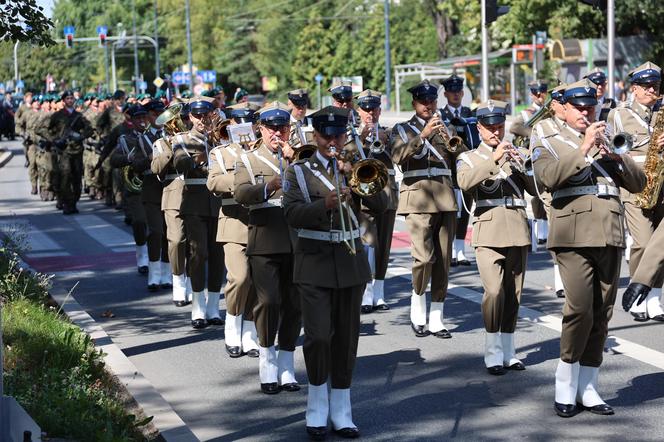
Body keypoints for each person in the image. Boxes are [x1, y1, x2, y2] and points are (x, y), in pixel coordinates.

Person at [531, 78, 645, 418]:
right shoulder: (546, 136)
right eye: (579, 108)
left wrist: (618, 158)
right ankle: (565, 381)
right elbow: (548, 177)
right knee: (580, 308)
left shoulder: (606, 136)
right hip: (573, 232)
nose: (586, 112)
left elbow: (638, 184)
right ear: (564, 108)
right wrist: (583, 148)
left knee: (602, 312)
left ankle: (589, 386)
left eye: (590, 107)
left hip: (610, 232)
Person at [283, 105, 388, 440]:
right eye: (326, 135)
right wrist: (323, 205)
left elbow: (382, 206)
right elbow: (291, 214)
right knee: (317, 337)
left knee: (346, 339)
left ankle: (342, 408)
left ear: (345, 136)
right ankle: (316, 405)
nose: (332, 141)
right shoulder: (298, 171)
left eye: (338, 135)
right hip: (314, 262)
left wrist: (355, 178)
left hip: (350, 262)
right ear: (315, 135)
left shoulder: (355, 166)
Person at [457, 100, 534, 375]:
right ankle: (492, 351)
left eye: (499, 126)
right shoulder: (468, 158)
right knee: (493, 292)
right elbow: (465, 183)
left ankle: (509, 351)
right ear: (479, 129)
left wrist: (524, 164)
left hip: (517, 227)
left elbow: (536, 189)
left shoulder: (517, 152)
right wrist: (494, 159)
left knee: (513, 295)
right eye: (489, 128)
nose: (495, 132)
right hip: (488, 231)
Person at [389, 79, 467, 338]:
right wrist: (422, 136)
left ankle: (437, 317)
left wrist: (451, 138)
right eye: (424, 102)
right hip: (418, 197)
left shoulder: (446, 126)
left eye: (432, 101)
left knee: (443, 261)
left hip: (444, 196)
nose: (429, 106)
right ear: (414, 104)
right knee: (423, 258)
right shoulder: (402, 129)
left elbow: (462, 156)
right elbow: (398, 157)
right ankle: (417, 305)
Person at [234, 101, 301, 394]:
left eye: (282, 128)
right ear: (261, 129)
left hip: (296, 240)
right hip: (264, 240)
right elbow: (240, 193)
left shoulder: (298, 159)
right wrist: (269, 186)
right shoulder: (247, 160)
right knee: (269, 301)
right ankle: (267, 359)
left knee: (294, 304)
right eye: (272, 128)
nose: (278, 134)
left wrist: (296, 161)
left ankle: (287, 365)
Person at [612, 62, 664, 322]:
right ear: (634, 89)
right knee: (644, 243)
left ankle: (654, 299)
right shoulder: (620, 114)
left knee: (660, 245)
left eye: (655, 85)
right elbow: (616, 150)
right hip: (636, 185)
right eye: (645, 86)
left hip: (662, 185)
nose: (651, 90)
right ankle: (638, 294)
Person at [207, 122, 260, 359]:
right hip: (234, 222)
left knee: (258, 281)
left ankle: (249, 333)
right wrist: (241, 176)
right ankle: (232, 324)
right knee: (239, 278)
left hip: (262, 221)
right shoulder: (219, 152)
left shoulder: (261, 151)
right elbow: (214, 182)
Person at [172, 96, 225, 329]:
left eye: (207, 115)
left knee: (217, 256)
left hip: (218, 203)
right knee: (198, 253)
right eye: (199, 116)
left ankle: (213, 306)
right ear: (191, 117)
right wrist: (199, 158)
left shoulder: (220, 140)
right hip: (194, 203)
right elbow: (180, 164)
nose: (203, 120)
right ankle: (197, 306)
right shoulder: (181, 139)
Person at [347, 89, 397, 313]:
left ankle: (380, 293)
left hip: (387, 193)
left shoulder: (389, 133)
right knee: (368, 244)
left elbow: (400, 156)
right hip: (365, 195)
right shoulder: (352, 135)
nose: (370, 113)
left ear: (379, 110)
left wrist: (387, 141)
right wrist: (361, 137)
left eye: (374, 109)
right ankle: (366, 293)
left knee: (384, 246)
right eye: (366, 109)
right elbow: (345, 156)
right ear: (359, 111)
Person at [151, 104, 192, 308]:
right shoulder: (161, 143)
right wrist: (171, 146)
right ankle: (178, 280)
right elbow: (157, 169)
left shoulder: (192, 139)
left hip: (195, 194)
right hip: (173, 194)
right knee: (176, 240)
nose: (177, 123)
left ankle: (194, 282)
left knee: (195, 243)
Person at [530, 83, 568, 299]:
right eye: (562, 102)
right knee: (558, 234)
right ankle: (560, 280)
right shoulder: (542, 126)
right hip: (552, 187)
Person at [109, 105, 152, 277]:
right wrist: (127, 158)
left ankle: (157, 260)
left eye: (144, 118)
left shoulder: (153, 137)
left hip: (154, 185)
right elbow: (114, 159)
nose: (142, 121)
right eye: (138, 118)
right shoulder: (125, 140)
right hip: (136, 188)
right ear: (131, 120)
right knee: (139, 222)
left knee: (157, 226)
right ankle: (142, 256)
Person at [440, 74, 477, 266]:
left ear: (463, 93)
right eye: (451, 92)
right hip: (449, 169)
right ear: (445, 94)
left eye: (458, 91)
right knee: (453, 211)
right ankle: (451, 251)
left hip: (467, 166)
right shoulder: (440, 115)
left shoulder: (470, 113)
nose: (455, 95)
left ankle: (460, 251)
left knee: (466, 207)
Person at [40, 90, 92, 214]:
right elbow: (41, 128)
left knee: (77, 178)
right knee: (65, 177)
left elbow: (90, 129)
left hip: (77, 151)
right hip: (64, 152)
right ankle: (67, 203)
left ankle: (73, 202)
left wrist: (81, 136)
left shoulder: (79, 116)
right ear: (63, 101)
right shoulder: (57, 115)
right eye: (67, 98)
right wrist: (54, 140)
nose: (70, 100)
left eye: (71, 98)